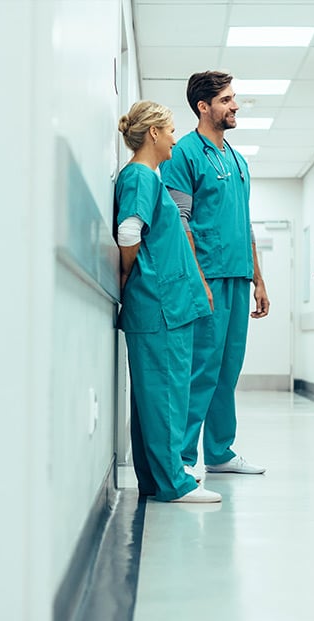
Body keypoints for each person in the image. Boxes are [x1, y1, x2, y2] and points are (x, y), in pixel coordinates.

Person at [160, 71, 268, 477]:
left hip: (239, 278)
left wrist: (259, 279)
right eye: (226, 99)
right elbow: (180, 221)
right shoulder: (184, 154)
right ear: (203, 107)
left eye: (233, 98)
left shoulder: (237, 160)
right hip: (207, 278)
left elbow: (246, 223)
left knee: (228, 369)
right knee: (201, 369)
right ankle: (183, 458)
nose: (234, 105)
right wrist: (198, 280)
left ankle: (220, 452)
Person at [115, 100, 221, 503]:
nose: (176, 138)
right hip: (159, 303)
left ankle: (158, 481)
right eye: (172, 130)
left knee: (154, 396)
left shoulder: (146, 177)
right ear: (154, 133)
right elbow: (129, 232)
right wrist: (130, 276)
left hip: (160, 302)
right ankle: (174, 483)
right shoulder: (142, 175)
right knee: (166, 394)